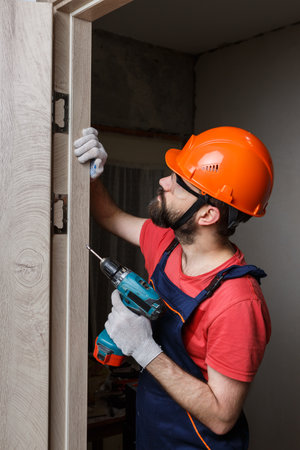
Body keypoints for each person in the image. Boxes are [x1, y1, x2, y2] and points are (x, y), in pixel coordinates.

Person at [74, 126, 273, 450]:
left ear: (207, 214)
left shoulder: (237, 303)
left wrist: (144, 350)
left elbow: (223, 417)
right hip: (153, 434)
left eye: (178, 183)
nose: (164, 182)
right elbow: (109, 216)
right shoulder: (166, 243)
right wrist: (91, 174)